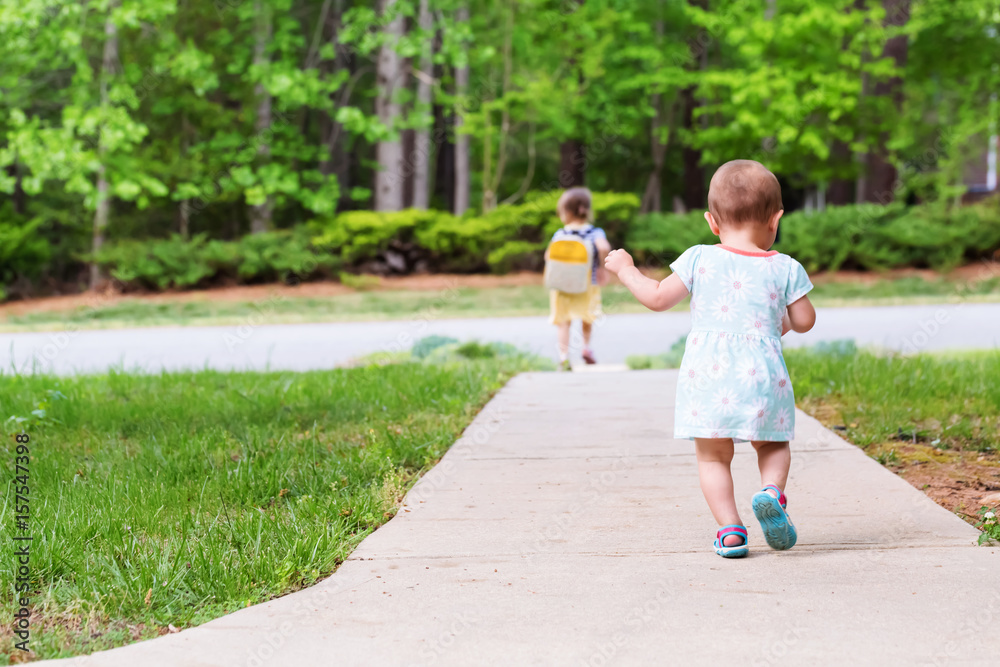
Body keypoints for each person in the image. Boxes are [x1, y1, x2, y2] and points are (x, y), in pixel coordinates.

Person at [604, 159, 816, 558]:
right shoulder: (784, 266)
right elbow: (804, 320)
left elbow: (656, 298)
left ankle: (732, 530)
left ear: (712, 222)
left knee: (714, 456)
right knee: (771, 444)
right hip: (764, 375)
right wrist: (770, 324)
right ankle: (771, 492)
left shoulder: (699, 257)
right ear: (776, 219)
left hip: (709, 379)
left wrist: (627, 269)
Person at [547, 187, 611, 371]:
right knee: (587, 317)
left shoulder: (560, 234)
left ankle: (563, 357)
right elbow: (604, 247)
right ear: (587, 211)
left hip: (562, 287)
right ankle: (586, 348)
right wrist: (601, 267)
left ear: (565, 212)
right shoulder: (595, 232)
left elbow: (548, 256)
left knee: (563, 322)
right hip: (587, 285)